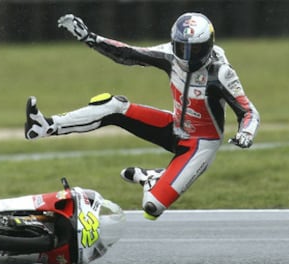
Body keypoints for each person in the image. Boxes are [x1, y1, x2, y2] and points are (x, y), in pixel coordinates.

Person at [24, 12, 260, 220]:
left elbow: (248, 111)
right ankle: (46, 125)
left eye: (195, 50)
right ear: (173, 42)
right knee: (113, 106)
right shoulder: (169, 54)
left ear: (209, 45)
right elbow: (128, 54)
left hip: (201, 143)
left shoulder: (222, 72)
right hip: (174, 126)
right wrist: (90, 38)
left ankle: (151, 179)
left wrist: (246, 133)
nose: (187, 56)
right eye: (182, 48)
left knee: (151, 208)